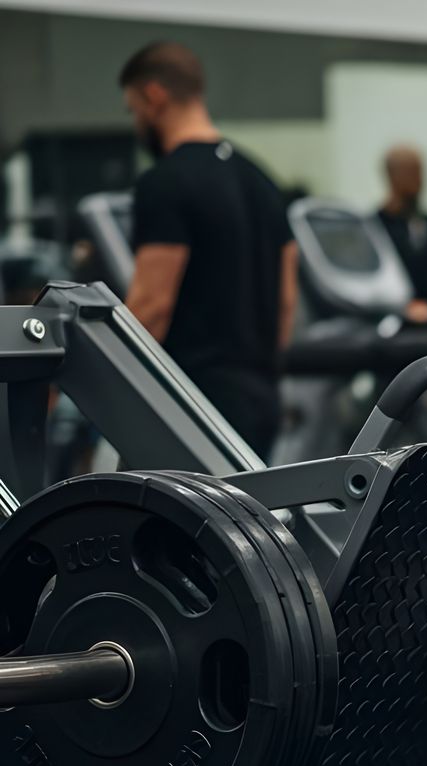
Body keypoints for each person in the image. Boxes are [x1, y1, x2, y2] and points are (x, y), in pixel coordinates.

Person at [118, 41, 296, 458]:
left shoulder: (164, 182)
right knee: (244, 522)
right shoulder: (261, 180)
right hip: (259, 399)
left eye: (133, 108)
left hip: (193, 404)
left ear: (154, 96)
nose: (136, 122)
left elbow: (151, 307)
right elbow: (286, 302)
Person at [375, 146, 427, 321]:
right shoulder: (375, 227)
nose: (420, 181)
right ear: (392, 176)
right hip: (394, 320)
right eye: (413, 173)